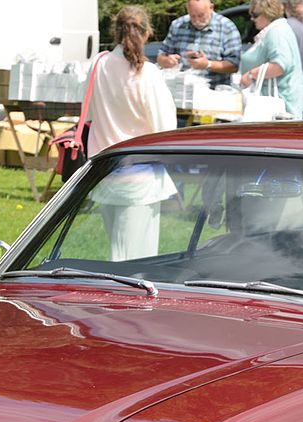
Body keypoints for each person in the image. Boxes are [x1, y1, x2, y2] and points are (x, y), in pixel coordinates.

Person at [84, 6, 178, 260]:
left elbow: (89, 113)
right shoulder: (148, 75)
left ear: (115, 33)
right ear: (147, 34)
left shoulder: (99, 65)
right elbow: (166, 130)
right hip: (140, 180)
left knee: (122, 255)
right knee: (133, 260)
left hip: (104, 171)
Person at [239, 0, 303, 120]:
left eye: (255, 15)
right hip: (277, 104)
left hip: (280, 107)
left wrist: (250, 75)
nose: (252, 19)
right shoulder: (275, 30)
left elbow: (280, 65)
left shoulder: (276, 32)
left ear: (267, 13)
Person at [157, 0, 242, 86]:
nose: (197, 20)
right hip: (182, 90)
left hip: (214, 90)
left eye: (201, 15)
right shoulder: (177, 25)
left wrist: (208, 64)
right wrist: (167, 61)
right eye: (192, 16)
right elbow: (160, 57)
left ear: (211, 8)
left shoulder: (226, 27)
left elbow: (234, 65)